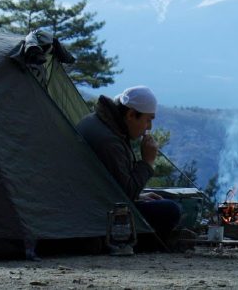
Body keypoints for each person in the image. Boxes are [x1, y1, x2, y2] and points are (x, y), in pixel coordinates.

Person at [76, 86, 182, 250]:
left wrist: (140, 196)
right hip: (98, 214)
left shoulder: (98, 122)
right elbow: (124, 196)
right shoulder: (109, 142)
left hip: (94, 202)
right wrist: (147, 162)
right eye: (148, 120)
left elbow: (113, 185)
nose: (149, 127)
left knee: (161, 199)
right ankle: (133, 244)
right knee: (171, 210)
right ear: (131, 115)